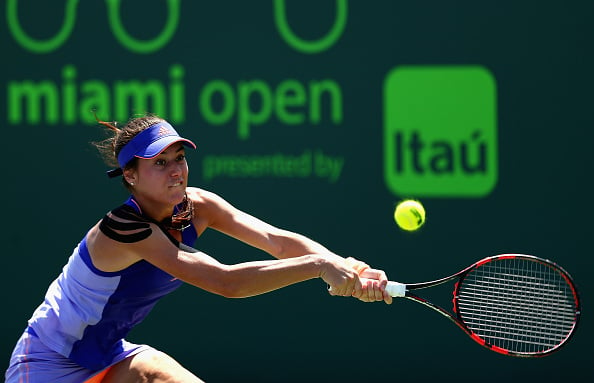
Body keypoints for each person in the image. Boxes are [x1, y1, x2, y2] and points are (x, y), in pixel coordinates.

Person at [5, 114, 392, 383]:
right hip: (47, 365)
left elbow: (277, 241)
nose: (176, 170)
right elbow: (224, 281)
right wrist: (320, 265)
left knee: (157, 370)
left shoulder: (199, 206)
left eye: (180, 158)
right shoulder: (121, 228)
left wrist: (351, 270)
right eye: (160, 162)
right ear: (130, 175)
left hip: (109, 356)